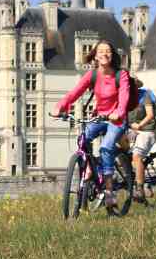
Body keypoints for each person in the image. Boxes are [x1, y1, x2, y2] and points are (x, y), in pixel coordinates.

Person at [52, 40, 130, 206]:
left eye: (108, 51)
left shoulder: (120, 75)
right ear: (95, 55)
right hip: (99, 117)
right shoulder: (92, 75)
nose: (104, 54)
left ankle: (109, 191)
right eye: (101, 51)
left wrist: (119, 112)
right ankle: (89, 167)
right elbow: (75, 93)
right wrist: (61, 106)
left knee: (106, 147)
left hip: (117, 119)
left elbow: (124, 98)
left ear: (112, 54)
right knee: (82, 139)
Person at [126, 78, 156, 200]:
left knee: (137, 156)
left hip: (147, 130)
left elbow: (150, 115)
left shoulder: (145, 96)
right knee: (119, 154)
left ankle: (140, 188)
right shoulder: (124, 98)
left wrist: (139, 125)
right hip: (130, 130)